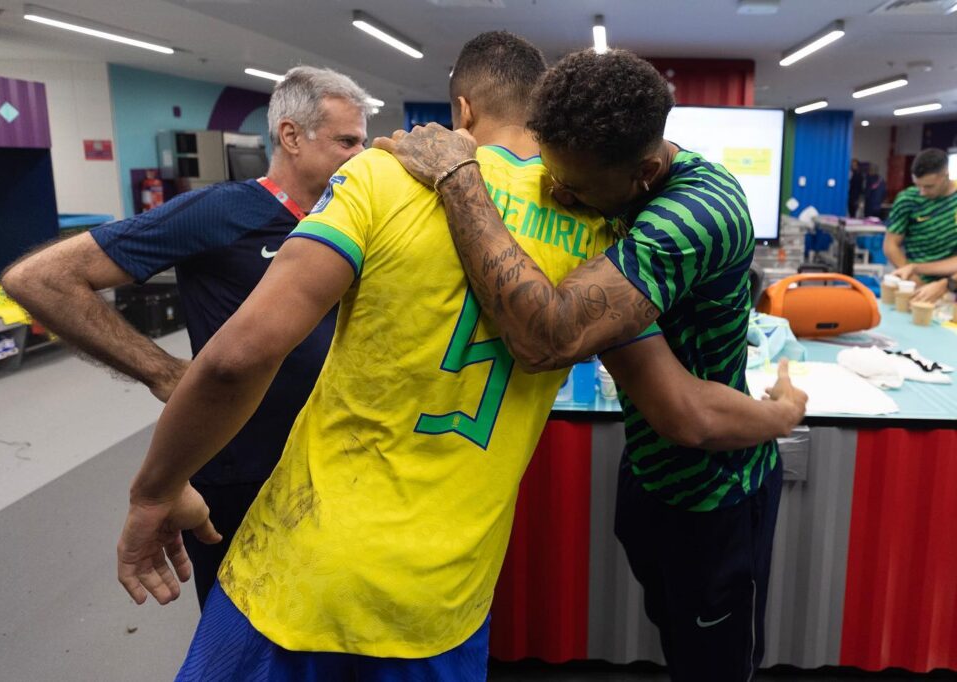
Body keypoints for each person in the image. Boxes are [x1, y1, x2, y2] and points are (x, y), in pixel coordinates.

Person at [112, 33, 805, 681]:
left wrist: (155, 489)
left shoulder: (386, 174)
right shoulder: (600, 232)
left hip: (297, 564)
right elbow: (671, 398)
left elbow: (237, 357)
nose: (562, 191)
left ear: (463, 110)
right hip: (440, 598)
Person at [378, 47, 791, 681]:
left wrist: (459, 176)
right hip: (649, 470)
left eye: (575, 188)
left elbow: (556, 342)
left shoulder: (696, 211)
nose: (557, 193)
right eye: (552, 173)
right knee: (675, 638)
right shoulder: (614, 188)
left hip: (716, 489)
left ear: (645, 173)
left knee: (713, 667)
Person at [0, 66, 373, 606]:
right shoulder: (223, 210)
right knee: (244, 629)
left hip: (333, 466)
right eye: (347, 141)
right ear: (292, 136)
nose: (361, 155)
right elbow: (40, 279)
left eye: (362, 141)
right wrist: (161, 371)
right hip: (242, 475)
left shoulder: (350, 221)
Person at [884, 148, 957, 273]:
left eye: (929, 186)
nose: (922, 192)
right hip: (915, 277)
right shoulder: (907, 199)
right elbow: (890, 245)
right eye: (917, 185)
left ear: (946, 175)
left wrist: (947, 283)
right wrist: (910, 273)